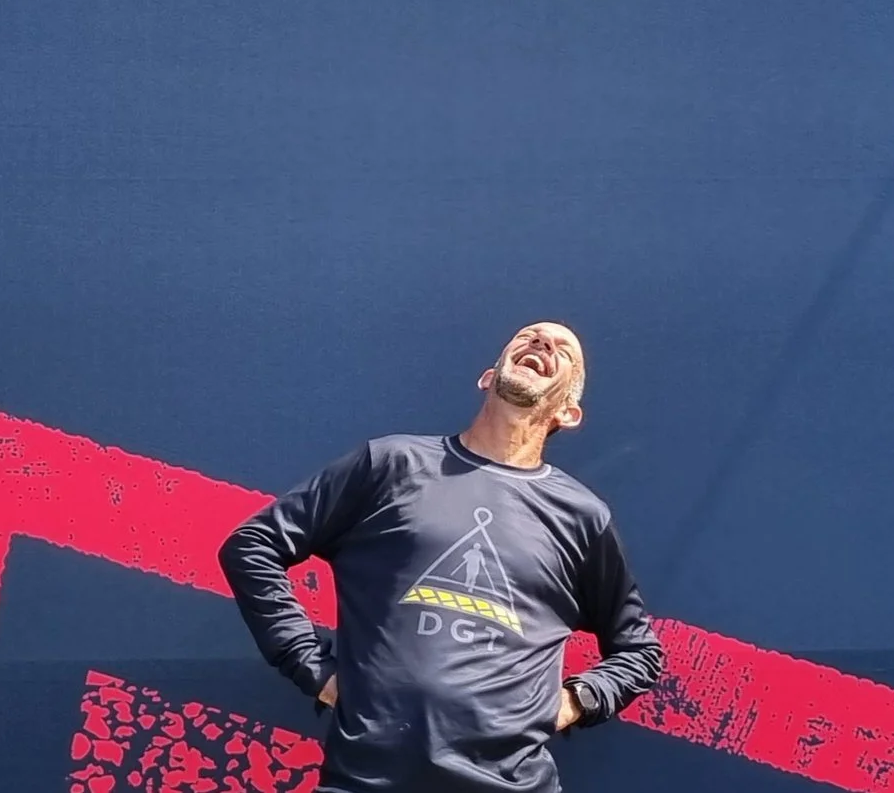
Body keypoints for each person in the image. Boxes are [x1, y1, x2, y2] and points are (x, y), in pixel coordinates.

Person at [219, 322, 664, 791]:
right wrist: (312, 666)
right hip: (366, 779)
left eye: (564, 350)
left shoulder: (582, 518)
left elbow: (638, 651)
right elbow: (253, 547)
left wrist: (573, 702)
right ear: (488, 377)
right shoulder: (391, 465)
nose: (542, 343)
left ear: (568, 414)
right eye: (528, 336)